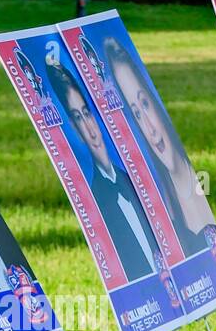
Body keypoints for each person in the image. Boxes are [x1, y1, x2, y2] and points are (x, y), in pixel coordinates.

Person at [45, 61, 160, 283]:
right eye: (78, 118)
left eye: (87, 113)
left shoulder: (135, 178)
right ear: (75, 129)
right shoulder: (95, 200)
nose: (90, 130)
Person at [101, 36, 213, 256]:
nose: (150, 128)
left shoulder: (198, 183)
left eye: (145, 104)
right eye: (136, 113)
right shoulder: (158, 209)